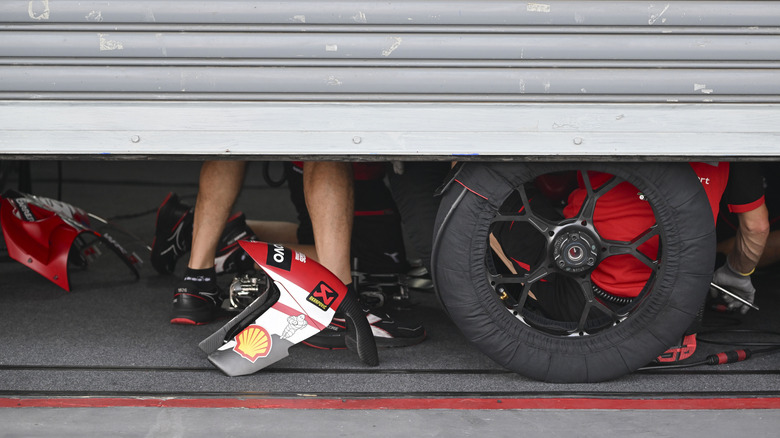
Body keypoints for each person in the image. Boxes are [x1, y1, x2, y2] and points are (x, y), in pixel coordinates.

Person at [151, 160, 424, 353]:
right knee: (327, 132)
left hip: (312, 171)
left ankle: (196, 277)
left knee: (235, 119)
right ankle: (334, 303)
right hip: (337, 174)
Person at [711, 162, 773, 314]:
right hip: (677, 280)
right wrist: (736, 273)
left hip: (651, 269)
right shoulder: (740, 149)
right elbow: (755, 227)